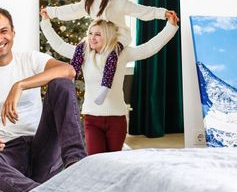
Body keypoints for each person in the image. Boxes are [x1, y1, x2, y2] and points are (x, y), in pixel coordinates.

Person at [0, 7, 86, 192]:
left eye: (3, 31)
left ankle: (76, 166)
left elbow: (69, 70)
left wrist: (20, 85)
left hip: (41, 148)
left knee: (61, 84)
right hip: (6, 154)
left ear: (13, 32)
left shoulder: (30, 59)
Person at [40, 11, 179, 155]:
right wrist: (45, 21)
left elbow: (149, 48)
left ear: (107, 36)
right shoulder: (83, 53)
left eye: (98, 34)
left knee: (114, 161)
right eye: (90, 33)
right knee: (96, 160)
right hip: (92, 118)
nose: (92, 38)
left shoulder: (121, 53)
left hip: (116, 118)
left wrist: (170, 27)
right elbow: (60, 45)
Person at [41, 0, 178, 105]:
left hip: (117, 38)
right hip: (100, 37)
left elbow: (140, 10)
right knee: (79, 51)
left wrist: (163, 13)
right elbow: (72, 10)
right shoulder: (90, 2)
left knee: (113, 54)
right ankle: (69, 80)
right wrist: (51, 12)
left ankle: (105, 86)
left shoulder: (119, 2)